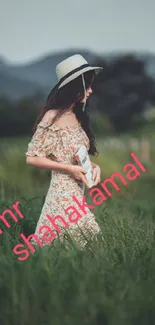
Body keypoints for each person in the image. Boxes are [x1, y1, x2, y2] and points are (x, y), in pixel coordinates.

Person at [25, 54, 103, 248]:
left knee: (84, 247)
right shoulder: (51, 117)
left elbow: (77, 156)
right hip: (61, 193)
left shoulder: (78, 117)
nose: (91, 91)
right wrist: (69, 169)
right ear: (75, 88)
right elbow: (32, 158)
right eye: (88, 86)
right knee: (65, 245)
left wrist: (93, 167)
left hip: (78, 192)